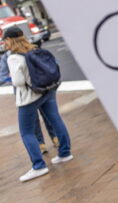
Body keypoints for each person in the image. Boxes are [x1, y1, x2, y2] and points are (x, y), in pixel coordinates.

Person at [5, 26, 73, 182]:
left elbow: (18, 82)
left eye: (5, 40)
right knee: (55, 119)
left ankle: (38, 166)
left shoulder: (14, 58)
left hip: (29, 98)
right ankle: (65, 153)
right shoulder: (34, 49)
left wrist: (12, 76)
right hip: (47, 91)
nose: (4, 43)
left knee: (26, 132)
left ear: (9, 40)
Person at [0, 51, 58, 154]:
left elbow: (4, 77)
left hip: (35, 88)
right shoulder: (9, 56)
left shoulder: (18, 53)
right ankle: (42, 143)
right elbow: (3, 76)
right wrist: (13, 77)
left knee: (45, 115)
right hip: (31, 90)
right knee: (36, 117)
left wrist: (15, 77)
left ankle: (52, 138)